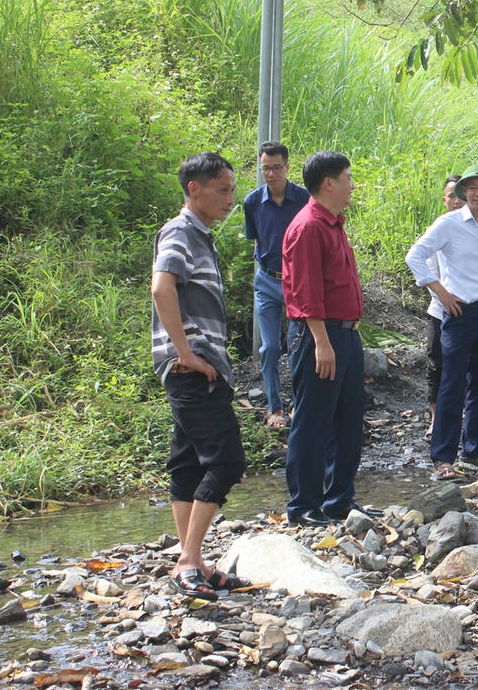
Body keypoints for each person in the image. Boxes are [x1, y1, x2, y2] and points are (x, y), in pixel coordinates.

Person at [151, 151, 249, 600]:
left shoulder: (200, 235)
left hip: (199, 367)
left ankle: (194, 561)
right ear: (195, 188)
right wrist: (185, 353)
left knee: (187, 462)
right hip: (193, 368)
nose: (232, 198)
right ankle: (188, 561)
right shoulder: (181, 231)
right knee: (226, 460)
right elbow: (161, 286)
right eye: (224, 189)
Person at [281, 150, 379, 525]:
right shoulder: (308, 226)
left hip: (346, 335)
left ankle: (339, 500)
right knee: (313, 420)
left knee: (348, 419)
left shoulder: (333, 223)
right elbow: (305, 292)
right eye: (349, 178)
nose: (352, 186)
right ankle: (304, 506)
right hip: (319, 336)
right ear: (328, 183)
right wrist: (321, 342)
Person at [406, 163, 478, 481]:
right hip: (459, 315)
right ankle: (443, 457)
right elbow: (415, 255)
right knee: (451, 385)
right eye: (473, 188)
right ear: (464, 192)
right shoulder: (449, 224)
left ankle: (475, 450)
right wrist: (440, 291)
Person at [242, 141, 310, 430]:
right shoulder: (252, 202)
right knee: (269, 347)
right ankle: (274, 408)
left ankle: (300, 404)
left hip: (298, 282)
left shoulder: (305, 199)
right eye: (265, 169)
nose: (271, 174)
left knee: (298, 345)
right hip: (267, 280)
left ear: (287, 167)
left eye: (276, 168)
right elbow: (255, 238)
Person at [425, 175, 466, 434]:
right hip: (440, 311)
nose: (456, 201)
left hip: (469, 313)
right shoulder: (437, 230)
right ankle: (435, 419)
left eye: (460, 196)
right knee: (436, 364)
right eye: (451, 196)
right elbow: (427, 270)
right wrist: (446, 298)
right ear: (444, 200)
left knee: (466, 368)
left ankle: (463, 419)